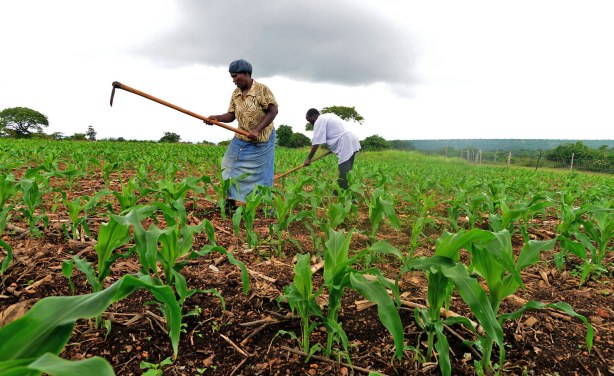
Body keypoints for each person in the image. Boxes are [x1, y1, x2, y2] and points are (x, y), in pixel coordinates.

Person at [206, 59, 278, 209]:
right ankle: (230, 200)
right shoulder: (236, 93)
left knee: (262, 173)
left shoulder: (262, 90)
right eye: (232, 77)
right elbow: (231, 115)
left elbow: (273, 111)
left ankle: (266, 205)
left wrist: (257, 130)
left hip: (262, 139)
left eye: (235, 76)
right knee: (228, 165)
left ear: (246, 74)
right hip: (241, 138)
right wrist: (217, 118)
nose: (233, 80)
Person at [304, 108, 361, 191]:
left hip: (345, 141)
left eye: (310, 120)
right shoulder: (329, 115)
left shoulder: (320, 120)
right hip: (351, 138)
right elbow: (335, 133)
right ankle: (345, 191)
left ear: (314, 115)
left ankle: (341, 191)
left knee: (343, 168)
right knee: (348, 168)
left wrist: (308, 158)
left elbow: (316, 143)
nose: (311, 123)